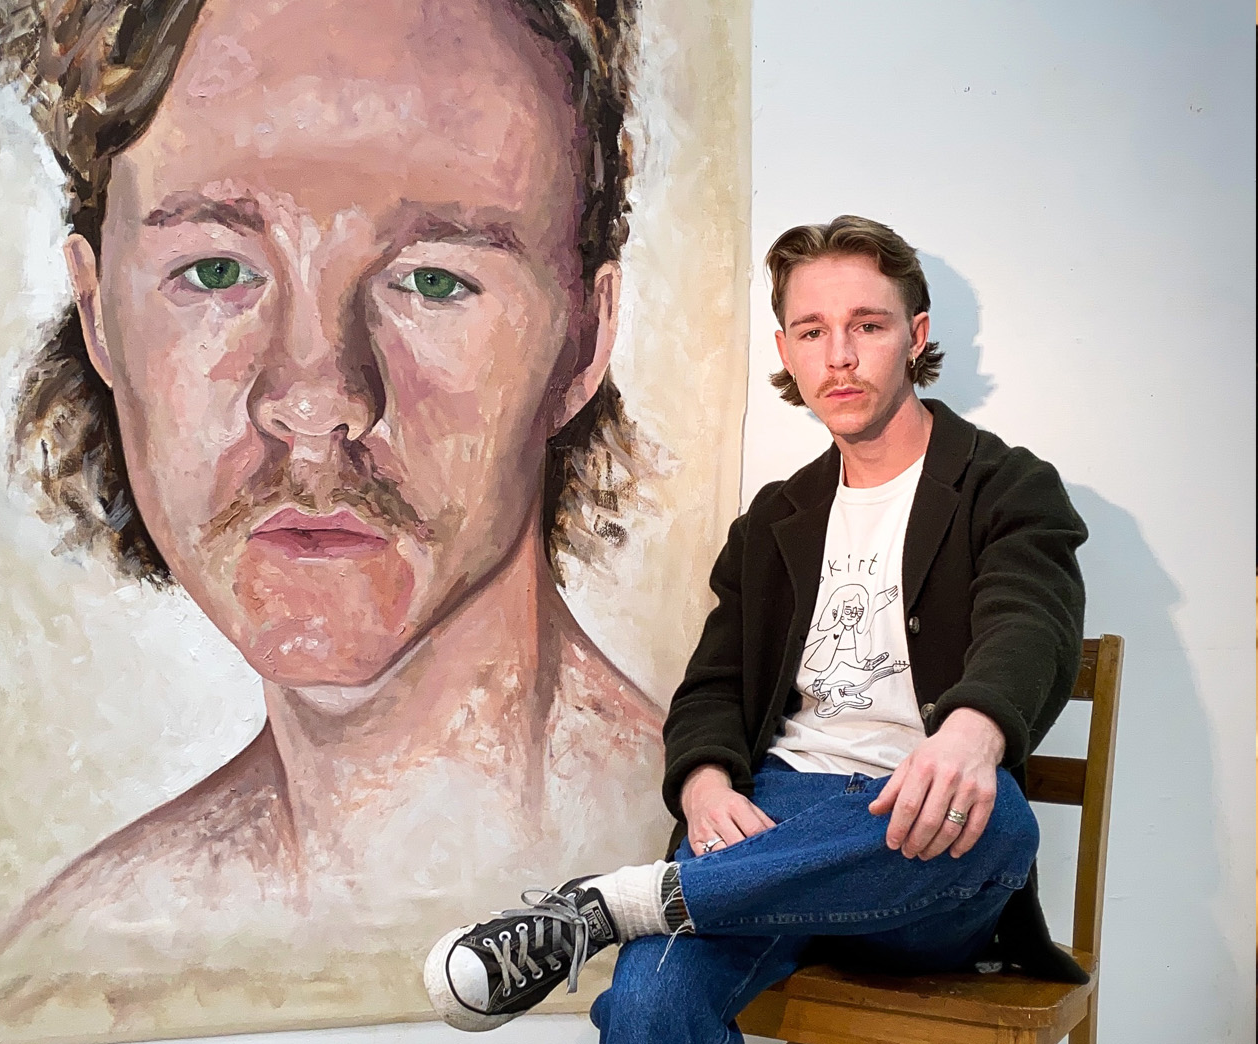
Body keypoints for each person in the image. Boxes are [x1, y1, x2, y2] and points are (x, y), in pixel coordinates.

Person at [0, 0, 670, 1033]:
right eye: (216, 272)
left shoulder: (724, 878)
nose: (314, 398)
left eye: (435, 279)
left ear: (584, 341)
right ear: (99, 316)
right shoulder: (65, 978)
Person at [425, 215, 1091, 1040]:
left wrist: (973, 733)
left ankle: (617, 907)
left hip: (914, 829)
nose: (838, 356)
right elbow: (715, 683)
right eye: (813, 331)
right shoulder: (777, 518)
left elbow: (1033, 618)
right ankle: (674, 899)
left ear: (915, 337)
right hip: (773, 817)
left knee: (998, 823)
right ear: (786, 350)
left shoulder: (1007, 486)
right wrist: (706, 784)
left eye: (868, 326)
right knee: (647, 1006)